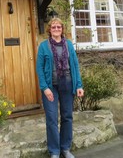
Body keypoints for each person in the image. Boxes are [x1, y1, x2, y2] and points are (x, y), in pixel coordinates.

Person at [36, 18, 84, 158]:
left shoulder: (68, 45)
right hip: (51, 87)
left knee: (67, 116)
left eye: (59, 27)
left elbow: (75, 65)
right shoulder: (44, 46)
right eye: (53, 27)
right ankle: (54, 151)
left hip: (68, 85)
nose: (56, 29)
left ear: (62, 29)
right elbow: (39, 68)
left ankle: (65, 148)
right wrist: (45, 88)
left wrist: (79, 85)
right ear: (49, 30)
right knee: (51, 117)